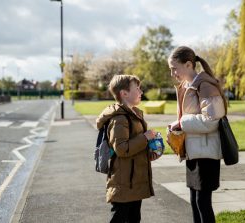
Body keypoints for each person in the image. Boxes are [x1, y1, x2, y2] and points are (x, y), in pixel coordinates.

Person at [167, 46, 226, 223]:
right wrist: (177, 126)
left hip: (206, 154)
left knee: (202, 202)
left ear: (188, 65)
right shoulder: (188, 86)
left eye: (174, 68)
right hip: (194, 151)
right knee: (194, 201)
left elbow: (212, 120)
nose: (172, 73)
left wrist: (181, 123)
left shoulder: (205, 85)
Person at [96, 74, 159, 223]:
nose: (141, 92)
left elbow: (135, 148)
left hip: (133, 181)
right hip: (123, 183)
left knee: (134, 218)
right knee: (119, 218)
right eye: (137, 89)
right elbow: (122, 149)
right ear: (124, 94)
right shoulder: (120, 119)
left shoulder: (133, 115)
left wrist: (149, 153)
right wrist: (145, 137)